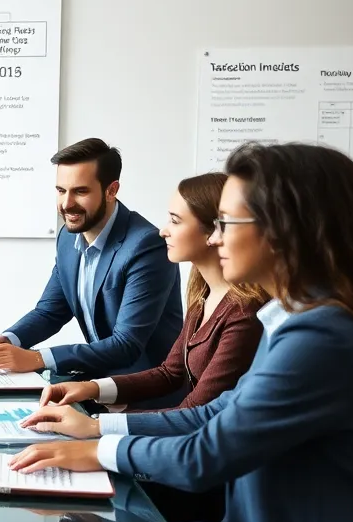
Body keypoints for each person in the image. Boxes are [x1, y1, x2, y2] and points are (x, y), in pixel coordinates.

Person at [11, 142, 353, 522]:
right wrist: (97, 432)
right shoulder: (302, 322)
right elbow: (216, 412)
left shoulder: (321, 339)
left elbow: (204, 457)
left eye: (226, 224)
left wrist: (97, 451)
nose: (214, 240)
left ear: (285, 232)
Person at [0, 138, 183, 407]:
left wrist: (36, 358)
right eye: (61, 190)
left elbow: (126, 344)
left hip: (147, 395)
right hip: (97, 383)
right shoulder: (68, 237)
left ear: (111, 190)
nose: (67, 204)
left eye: (80, 191)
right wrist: (7, 340)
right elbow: (50, 311)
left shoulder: (146, 245)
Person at [40, 172, 269, 411]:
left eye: (175, 221)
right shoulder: (203, 294)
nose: (163, 231)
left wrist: (96, 425)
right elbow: (170, 373)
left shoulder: (244, 312)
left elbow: (197, 412)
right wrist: (92, 388)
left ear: (214, 230)